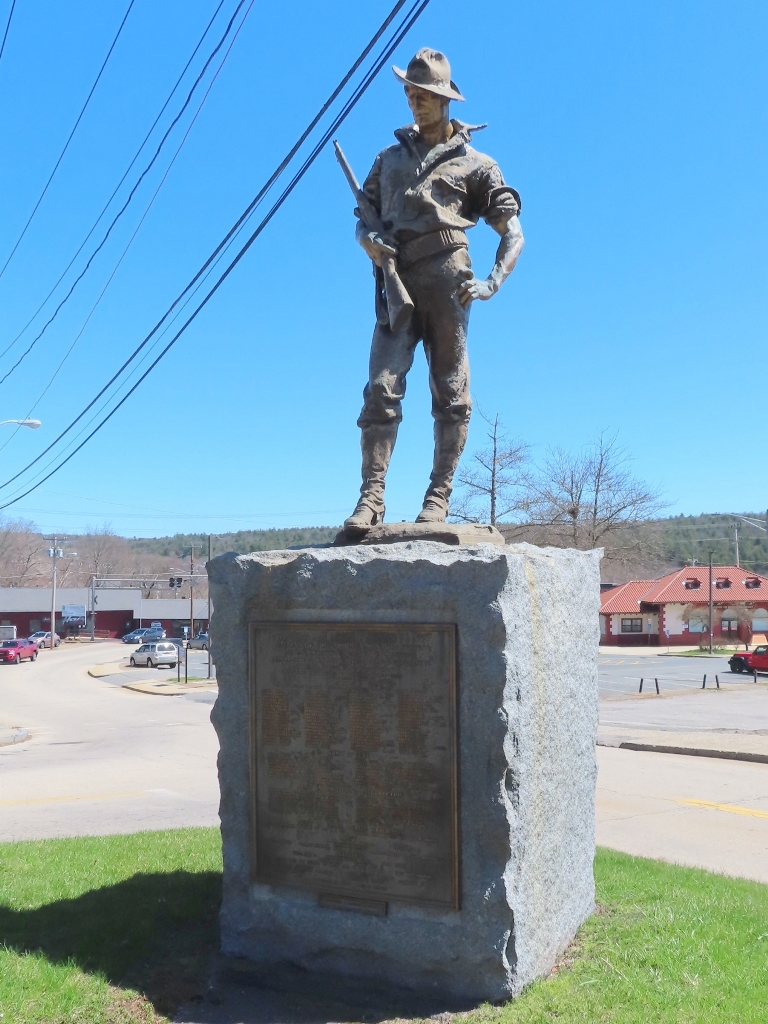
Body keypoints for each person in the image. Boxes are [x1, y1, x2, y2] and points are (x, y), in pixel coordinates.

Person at [343, 48, 524, 537]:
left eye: (422, 94)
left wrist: (492, 282)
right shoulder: (387, 160)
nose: (413, 101)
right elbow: (363, 221)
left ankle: (438, 497)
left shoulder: (478, 164)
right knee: (380, 389)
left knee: (451, 392)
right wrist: (370, 243)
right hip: (396, 280)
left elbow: (513, 233)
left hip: (449, 279)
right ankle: (371, 497)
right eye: (409, 93)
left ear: (445, 99)